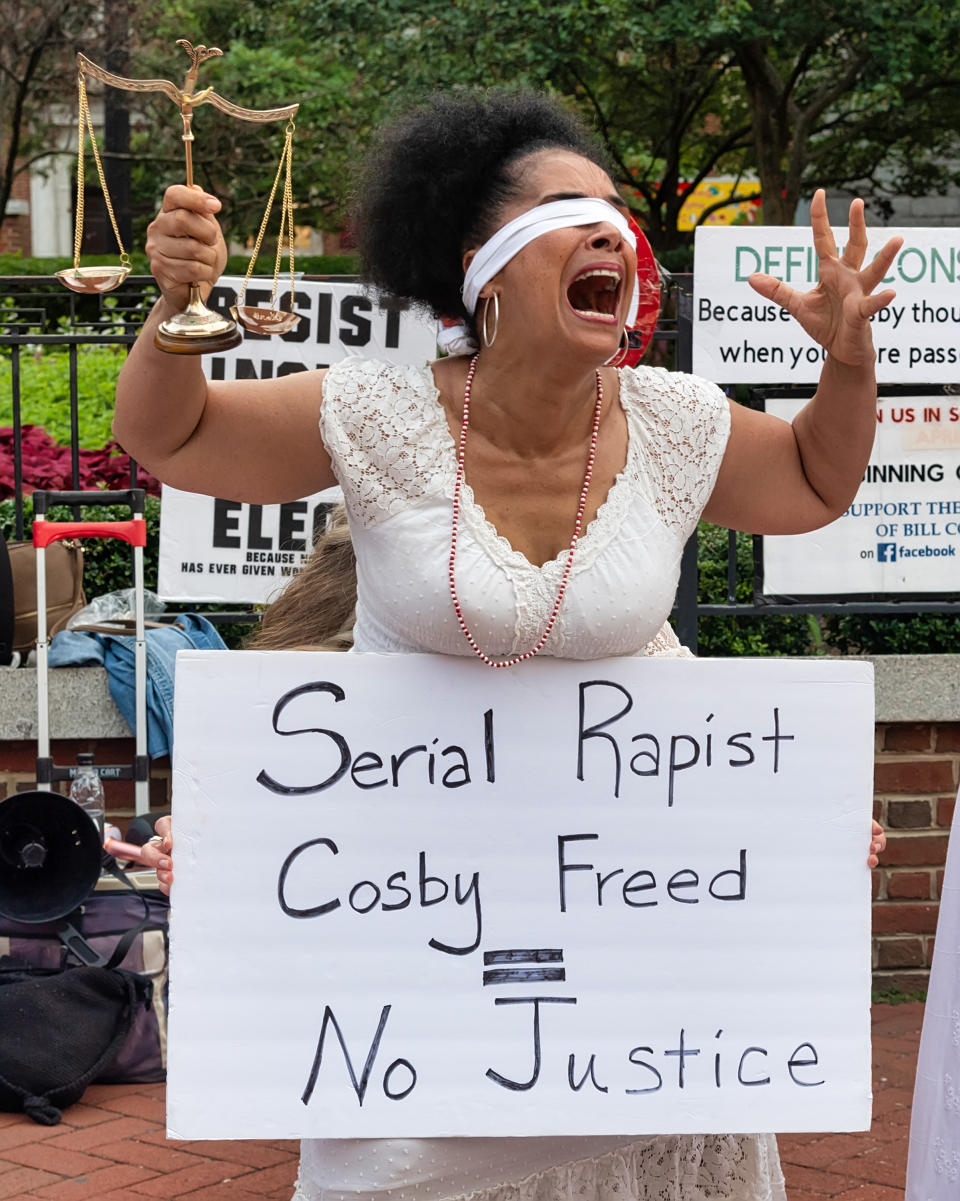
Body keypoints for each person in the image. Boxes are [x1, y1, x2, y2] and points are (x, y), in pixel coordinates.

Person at [111, 89, 890, 1201]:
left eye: (617, 214)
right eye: (569, 208)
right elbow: (169, 434)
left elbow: (816, 480)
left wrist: (849, 363)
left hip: (641, 952)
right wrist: (177, 305)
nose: (609, 230)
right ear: (480, 262)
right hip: (421, 959)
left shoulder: (674, 421)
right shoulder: (376, 414)